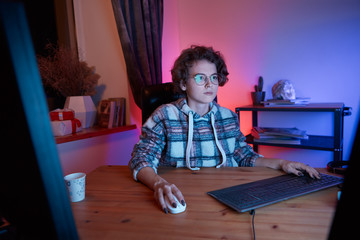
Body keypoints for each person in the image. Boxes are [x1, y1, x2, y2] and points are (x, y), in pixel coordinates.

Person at [129, 45, 320, 214]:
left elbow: (244, 157)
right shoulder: (164, 115)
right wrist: (158, 183)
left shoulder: (228, 117)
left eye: (213, 77)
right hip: (181, 195)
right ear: (182, 83)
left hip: (227, 197)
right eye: (200, 77)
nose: (209, 83)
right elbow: (141, 159)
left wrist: (282, 164)